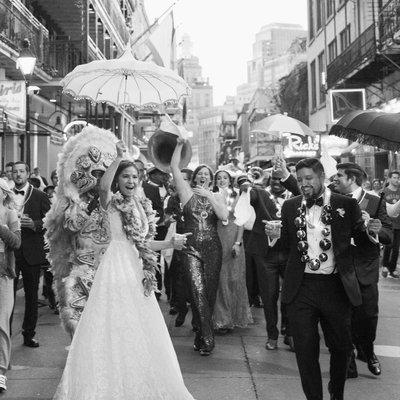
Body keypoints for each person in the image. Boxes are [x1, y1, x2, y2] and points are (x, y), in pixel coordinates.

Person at [53, 141, 194, 400]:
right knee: (110, 327)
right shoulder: (110, 202)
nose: (130, 180)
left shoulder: (139, 205)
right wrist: (119, 157)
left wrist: (170, 243)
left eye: (134, 177)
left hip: (135, 272)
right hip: (112, 271)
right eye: (125, 176)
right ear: (117, 180)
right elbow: (103, 186)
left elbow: (141, 242)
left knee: (138, 330)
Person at [280, 158, 378, 400]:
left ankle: (336, 392)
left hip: (335, 286)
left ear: (322, 176)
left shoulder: (345, 204)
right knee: (305, 350)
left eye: (308, 178)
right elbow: (285, 245)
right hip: (301, 287)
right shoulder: (290, 206)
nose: (303, 184)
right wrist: (274, 236)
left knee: (341, 348)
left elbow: (362, 241)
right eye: (300, 179)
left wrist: (371, 233)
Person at [334, 163, 392, 378]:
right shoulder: (332, 198)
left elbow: (388, 234)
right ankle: (348, 358)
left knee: (368, 317)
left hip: (365, 269)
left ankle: (368, 352)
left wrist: (375, 229)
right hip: (339, 269)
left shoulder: (374, 200)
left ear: (352, 179)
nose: (336, 179)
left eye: (340, 176)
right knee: (343, 318)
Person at [171, 139, 228, 356]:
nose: (204, 177)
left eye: (208, 175)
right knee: (197, 291)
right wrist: (179, 145)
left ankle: (199, 333)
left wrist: (211, 197)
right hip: (191, 248)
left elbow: (223, 217)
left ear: (211, 180)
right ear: (194, 178)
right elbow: (175, 167)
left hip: (213, 248)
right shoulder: (186, 193)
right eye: (200, 174)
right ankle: (208, 338)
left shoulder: (217, 195)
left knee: (209, 294)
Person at [12, 161, 51, 348]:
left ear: (28, 174)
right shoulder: (5, 194)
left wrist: (35, 224)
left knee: (31, 296)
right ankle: (5, 336)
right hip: (10, 253)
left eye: (21, 171)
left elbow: (51, 221)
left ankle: (29, 334)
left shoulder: (40, 196)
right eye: (14, 172)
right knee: (6, 297)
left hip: (31, 252)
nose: (18, 175)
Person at [212, 170, 252, 332]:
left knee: (234, 279)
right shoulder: (212, 196)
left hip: (234, 239)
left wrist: (238, 242)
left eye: (225, 178)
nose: (222, 180)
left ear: (230, 180)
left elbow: (241, 221)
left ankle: (235, 317)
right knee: (220, 280)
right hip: (217, 238)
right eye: (219, 178)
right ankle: (222, 319)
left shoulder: (237, 197)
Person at [0, 179, 21, 393]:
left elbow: (16, 243)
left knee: (1, 324)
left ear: (4, 194)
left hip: (3, 276)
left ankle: (1, 372)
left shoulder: (9, 214)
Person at [382, 171, 400, 278]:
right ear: (389, 179)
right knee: (388, 245)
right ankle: (385, 265)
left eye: (398, 178)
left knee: (396, 248)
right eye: (394, 177)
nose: (396, 180)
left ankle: (392, 269)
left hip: (398, 223)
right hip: (388, 223)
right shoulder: (384, 191)